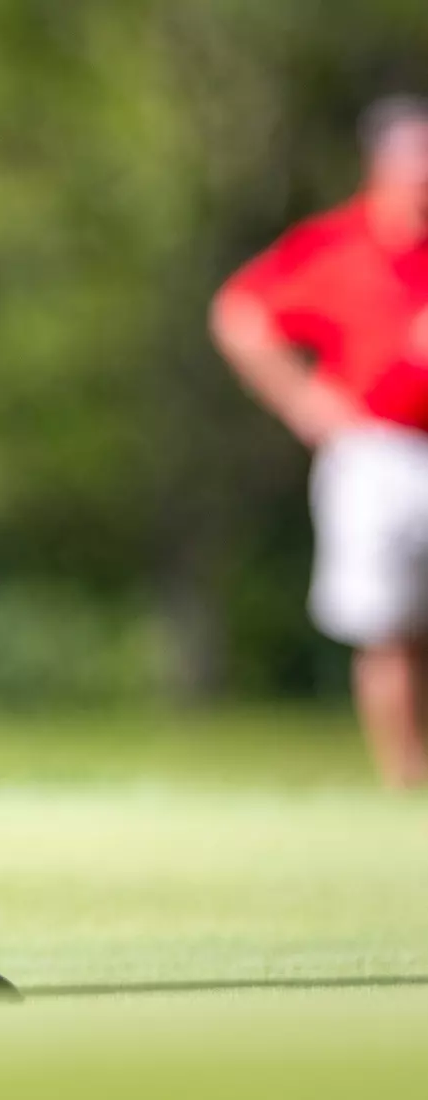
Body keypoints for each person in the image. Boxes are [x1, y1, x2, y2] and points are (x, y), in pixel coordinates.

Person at [211, 94, 428, 788]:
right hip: (374, 453)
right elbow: (240, 313)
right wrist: (302, 400)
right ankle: (403, 781)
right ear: (380, 163)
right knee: (385, 626)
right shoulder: (338, 243)